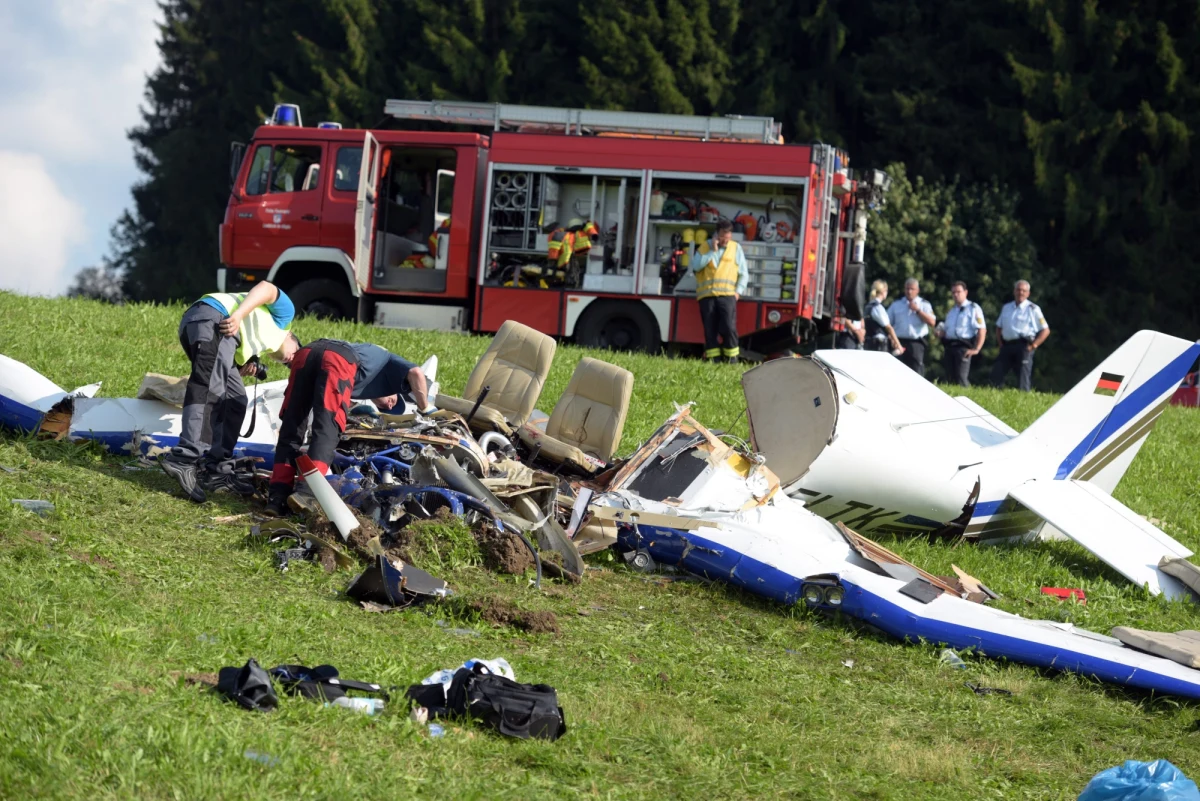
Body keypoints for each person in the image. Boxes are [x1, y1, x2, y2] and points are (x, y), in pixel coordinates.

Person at [160, 281, 300, 504]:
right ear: (291, 336)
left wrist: (242, 366)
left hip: (214, 327)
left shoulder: (257, 342)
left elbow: (222, 360)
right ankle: (184, 458)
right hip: (216, 317)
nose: (291, 361)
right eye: (296, 353)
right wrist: (238, 315)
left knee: (235, 399)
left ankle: (217, 470)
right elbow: (267, 288)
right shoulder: (284, 319)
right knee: (210, 389)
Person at [266, 341, 435, 515]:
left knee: (291, 428)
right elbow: (416, 373)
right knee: (327, 430)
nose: (391, 405)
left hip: (306, 353)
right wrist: (426, 409)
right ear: (393, 387)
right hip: (337, 359)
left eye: (386, 409)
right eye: (394, 400)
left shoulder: (365, 368)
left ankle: (276, 498)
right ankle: (306, 493)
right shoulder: (389, 362)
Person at [693, 219, 748, 363]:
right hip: (707, 296)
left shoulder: (736, 248)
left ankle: (732, 360)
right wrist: (712, 251)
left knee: (729, 328)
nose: (726, 240)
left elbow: (744, 273)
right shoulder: (705, 247)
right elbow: (696, 266)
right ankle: (713, 361)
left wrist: (738, 292)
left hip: (728, 296)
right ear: (717, 234)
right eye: (723, 236)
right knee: (710, 330)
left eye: (728, 237)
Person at [991, 279, 1050, 391]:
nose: (1020, 293)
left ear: (1028, 293)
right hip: (1007, 345)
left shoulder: (1033, 309)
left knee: (1023, 377)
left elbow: (1045, 330)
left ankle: (1024, 400)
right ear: (1014, 291)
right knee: (996, 373)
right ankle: (994, 396)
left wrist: (1034, 346)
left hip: (1024, 346)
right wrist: (1000, 344)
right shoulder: (1006, 308)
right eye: (1018, 290)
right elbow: (999, 327)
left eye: (1024, 290)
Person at [938, 280, 987, 386]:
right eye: (953, 292)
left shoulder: (973, 308)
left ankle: (967, 398)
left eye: (958, 292)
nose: (956, 295)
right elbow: (947, 330)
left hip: (963, 347)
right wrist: (941, 333)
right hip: (950, 346)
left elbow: (982, 329)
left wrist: (977, 349)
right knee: (950, 379)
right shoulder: (952, 311)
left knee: (961, 378)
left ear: (966, 292)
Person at [887, 278, 936, 376]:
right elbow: (887, 323)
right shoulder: (896, 305)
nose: (909, 291)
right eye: (907, 289)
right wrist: (891, 338)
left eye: (912, 289)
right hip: (899, 342)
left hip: (916, 343)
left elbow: (932, 322)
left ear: (917, 290)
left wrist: (918, 310)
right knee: (897, 370)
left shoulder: (924, 304)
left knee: (916, 370)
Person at [863, 280, 904, 354]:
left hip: (868, 342)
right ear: (883, 292)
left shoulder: (868, 306)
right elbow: (889, 328)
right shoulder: (878, 307)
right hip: (879, 344)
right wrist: (899, 345)